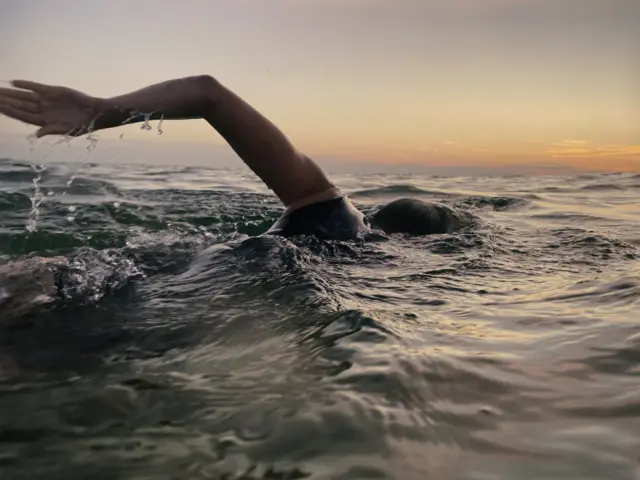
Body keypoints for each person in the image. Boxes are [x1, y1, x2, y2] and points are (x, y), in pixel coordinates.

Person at [0, 75, 465, 322]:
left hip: (126, 278)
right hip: (162, 317)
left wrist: (100, 112)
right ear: (413, 244)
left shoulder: (326, 209)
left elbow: (207, 93)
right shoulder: (360, 257)